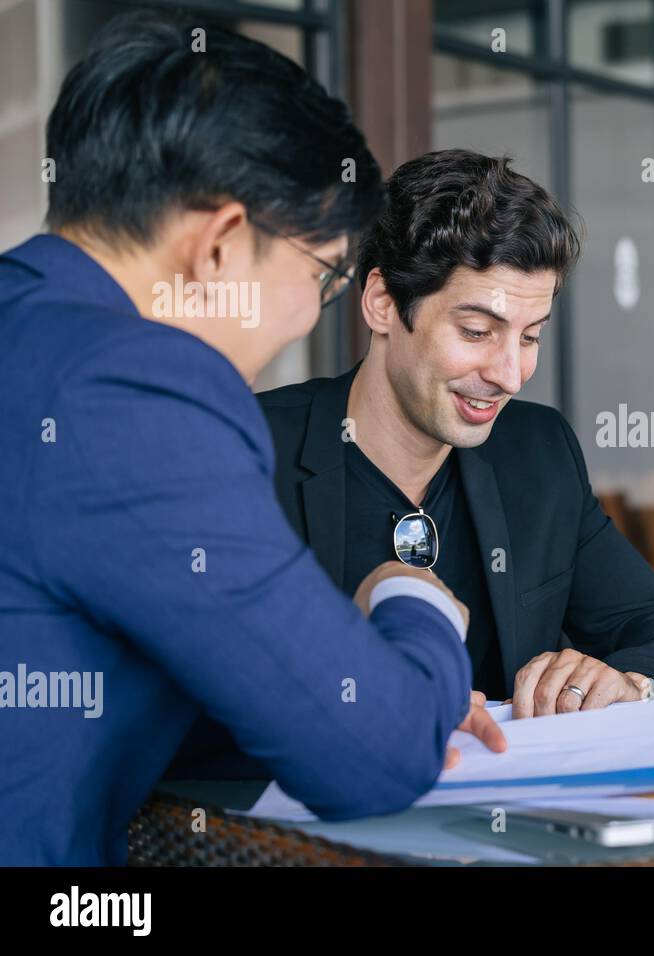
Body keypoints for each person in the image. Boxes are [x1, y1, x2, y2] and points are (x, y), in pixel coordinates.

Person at [0, 13, 501, 866]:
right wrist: (413, 603)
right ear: (223, 244)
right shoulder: (138, 388)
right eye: (324, 273)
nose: (314, 312)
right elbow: (370, 754)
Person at [252, 149, 654, 718]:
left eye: (530, 337)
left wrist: (628, 683)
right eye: (477, 331)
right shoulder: (246, 452)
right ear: (382, 303)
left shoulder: (537, 452)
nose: (508, 374)